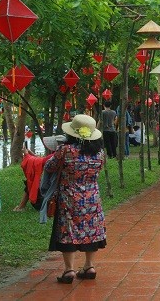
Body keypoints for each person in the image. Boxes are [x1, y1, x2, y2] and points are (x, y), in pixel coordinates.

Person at [45, 114, 106, 284]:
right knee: (92, 230)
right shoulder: (100, 153)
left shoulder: (65, 150)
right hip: (93, 196)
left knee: (68, 231)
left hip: (69, 196)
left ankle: (69, 270)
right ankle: (89, 266)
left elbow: (50, 167)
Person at [14, 135, 67, 212]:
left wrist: (26, 155)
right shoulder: (63, 155)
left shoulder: (55, 156)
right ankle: (21, 206)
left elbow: (42, 163)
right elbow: (42, 161)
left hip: (49, 198)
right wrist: (30, 154)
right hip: (59, 193)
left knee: (31, 182)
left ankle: (21, 207)